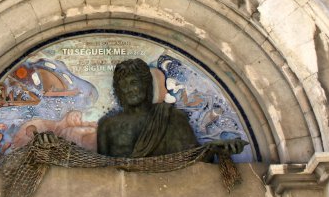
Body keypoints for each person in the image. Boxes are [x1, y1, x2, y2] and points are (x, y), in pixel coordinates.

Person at [97, 58, 247, 158]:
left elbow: (192, 160)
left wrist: (214, 149)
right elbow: (102, 173)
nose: (129, 90)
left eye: (133, 83)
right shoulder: (107, 126)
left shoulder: (172, 117)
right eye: (123, 85)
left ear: (146, 84)